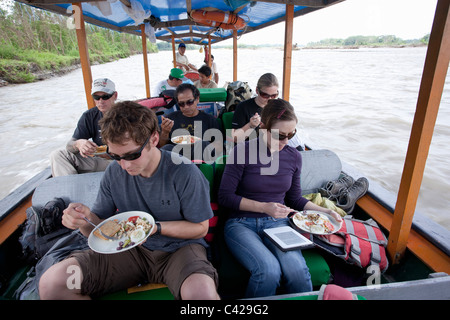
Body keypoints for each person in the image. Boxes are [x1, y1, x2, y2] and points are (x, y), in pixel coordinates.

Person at [39, 101, 220, 300]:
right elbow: (97, 228)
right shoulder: (114, 172)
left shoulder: (184, 172)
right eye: (115, 156)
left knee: (202, 296)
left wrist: (153, 227)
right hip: (127, 250)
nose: (124, 165)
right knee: (53, 284)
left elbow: (200, 228)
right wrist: (84, 219)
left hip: (178, 251)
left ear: (154, 138)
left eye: (132, 155)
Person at [218, 99, 342, 298]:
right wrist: (264, 208)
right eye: (280, 135)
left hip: (278, 223)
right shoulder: (242, 151)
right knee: (268, 271)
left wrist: (326, 211)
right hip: (240, 223)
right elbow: (225, 197)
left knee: (298, 272)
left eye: (291, 135)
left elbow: (294, 198)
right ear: (264, 127)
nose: (286, 141)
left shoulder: (293, 157)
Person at [50, 78, 117, 177]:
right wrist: (78, 144)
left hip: (121, 162)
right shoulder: (89, 116)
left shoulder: (126, 115)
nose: (101, 101)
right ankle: (69, 189)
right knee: (57, 155)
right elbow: (69, 146)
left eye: (105, 96)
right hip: (100, 161)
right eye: (96, 97)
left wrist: (112, 152)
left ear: (115, 96)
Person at [231, 73, 304, 150]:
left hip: (277, 148)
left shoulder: (283, 106)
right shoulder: (243, 107)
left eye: (274, 95)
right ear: (257, 90)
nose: (270, 99)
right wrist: (250, 125)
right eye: (265, 95)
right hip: (251, 149)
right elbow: (234, 138)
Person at [159, 83, 222, 162]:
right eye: (181, 104)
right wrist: (165, 132)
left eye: (190, 102)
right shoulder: (171, 118)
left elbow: (219, 146)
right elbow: (163, 145)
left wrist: (197, 145)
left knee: (202, 145)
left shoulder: (209, 119)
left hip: (201, 157)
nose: (186, 107)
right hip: (178, 155)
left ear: (197, 99)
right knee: (166, 148)